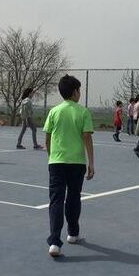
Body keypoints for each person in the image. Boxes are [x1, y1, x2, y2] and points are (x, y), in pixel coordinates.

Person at [43, 74, 95, 258]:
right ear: (74, 92)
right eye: (79, 90)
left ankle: (55, 243)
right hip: (77, 163)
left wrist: (51, 155)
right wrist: (91, 163)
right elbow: (87, 137)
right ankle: (73, 233)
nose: (80, 93)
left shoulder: (54, 111)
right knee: (73, 198)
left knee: (56, 200)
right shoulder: (82, 112)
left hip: (56, 162)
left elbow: (47, 137)